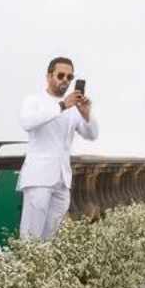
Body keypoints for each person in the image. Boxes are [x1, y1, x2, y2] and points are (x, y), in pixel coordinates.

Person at [18, 57, 98, 241]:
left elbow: (92, 134)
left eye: (69, 77)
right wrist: (62, 105)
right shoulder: (34, 99)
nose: (65, 80)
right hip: (39, 177)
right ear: (49, 76)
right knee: (30, 237)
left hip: (63, 179)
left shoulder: (73, 107)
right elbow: (27, 122)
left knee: (51, 238)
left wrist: (87, 114)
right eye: (60, 75)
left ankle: (43, 270)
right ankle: (27, 269)